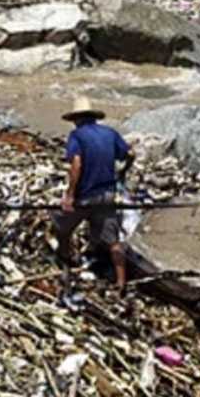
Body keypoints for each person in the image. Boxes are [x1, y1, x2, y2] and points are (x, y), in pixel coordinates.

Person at [52, 96, 135, 291]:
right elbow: (130, 154)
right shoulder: (110, 133)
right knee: (113, 241)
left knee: (61, 225)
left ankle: (66, 260)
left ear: (76, 119)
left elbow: (77, 164)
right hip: (107, 194)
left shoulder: (76, 136)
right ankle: (121, 282)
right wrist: (123, 172)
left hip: (86, 196)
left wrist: (70, 195)